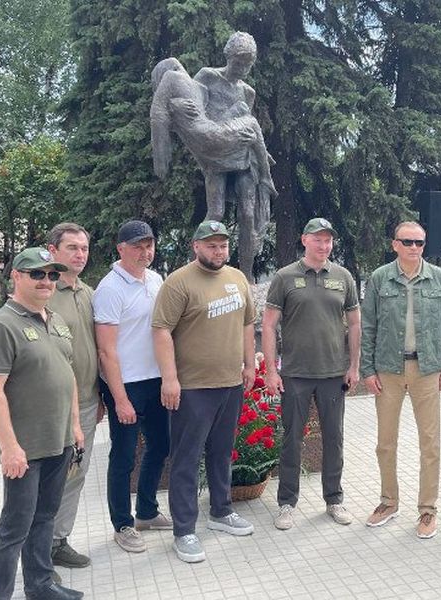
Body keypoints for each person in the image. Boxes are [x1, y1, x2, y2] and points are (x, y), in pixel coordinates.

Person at [152, 220, 257, 563]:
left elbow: (246, 324)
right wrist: (170, 378)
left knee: (222, 452)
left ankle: (221, 511)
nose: (219, 251)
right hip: (192, 387)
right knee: (186, 458)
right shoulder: (178, 282)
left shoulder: (237, 278)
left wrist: (249, 365)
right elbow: (162, 331)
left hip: (230, 383)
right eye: (211, 245)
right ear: (195, 246)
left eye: (223, 245)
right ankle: (184, 530)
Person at [360, 221, 441, 539]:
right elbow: (369, 326)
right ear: (395, 245)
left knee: (430, 444)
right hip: (388, 370)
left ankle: (428, 510)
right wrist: (368, 370)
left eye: (419, 242)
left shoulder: (439, 279)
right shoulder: (379, 279)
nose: (414, 247)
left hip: (427, 371)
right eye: (408, 242)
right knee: (385, 443)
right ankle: (388, 503)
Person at [262, 218, 361, 530]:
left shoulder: (343, 277)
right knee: (291, 439)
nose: (324, 245)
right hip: (295, 374)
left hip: (334, 374)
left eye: (328, 240)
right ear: (304, 240)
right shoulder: (285, 277)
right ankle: (287, 503)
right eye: (318, 239)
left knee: (335, 439)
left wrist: (354, 366)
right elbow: (268, 324)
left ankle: (334, 500)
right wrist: (270, 371)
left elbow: (355, 324)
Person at [0, 247, 84, 600]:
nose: (46, 281)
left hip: (59, 440)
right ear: (16, 276)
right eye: (37, 274)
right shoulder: (4, 325)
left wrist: (75, 425)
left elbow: (69, 375)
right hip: (26, 445)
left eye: (51, 275)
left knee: (45, 516)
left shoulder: (56, 320)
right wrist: (9, 447)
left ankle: (41, 585)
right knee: (14, 527)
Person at [93, 220, 172, 554]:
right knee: (124, 456)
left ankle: (147, 512)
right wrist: (120, 399)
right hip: (125, 384)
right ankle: (122, 524)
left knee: (161, 445)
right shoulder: (110, 289)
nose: (145, 252)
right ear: (120, 248)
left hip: (155, 380)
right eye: (138, 246)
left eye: (149, 245)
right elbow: (106, 351)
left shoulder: (156, 280)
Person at [194, 31, 271, 280]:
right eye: (239, 62)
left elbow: (247, 124)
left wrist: (259, 150)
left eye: (248, 64)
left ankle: (246, 276)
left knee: (248, 215)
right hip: (217, 156)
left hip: (243, 158)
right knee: (215, 212)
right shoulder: (207, 77)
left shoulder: (248, 92)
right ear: (228, 56)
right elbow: (197, 118)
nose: (243, 68)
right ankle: (197, 266)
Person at [45, 224, 101, 570]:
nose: (80, 254)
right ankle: (32, 541)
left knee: (75, 475)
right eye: (72, 248)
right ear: (53, 251)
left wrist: (102, 397)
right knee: (44, 478)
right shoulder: (43, 293)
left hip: (87, 401)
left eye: (83, 248)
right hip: (50, 409)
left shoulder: (89, 293)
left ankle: (56, 540)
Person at [150, 57, 276, 199]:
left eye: (248, 65)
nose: (180, 66)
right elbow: (158, 115)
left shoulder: (198, 89)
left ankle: (264, 163)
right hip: (211, 136)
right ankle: (266, 176)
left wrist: (174, 104)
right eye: (175, 65)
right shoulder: (175, 78)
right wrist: (160, 155)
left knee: (243, 110)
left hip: (216, 139)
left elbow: (197, 114)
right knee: (252, 122)